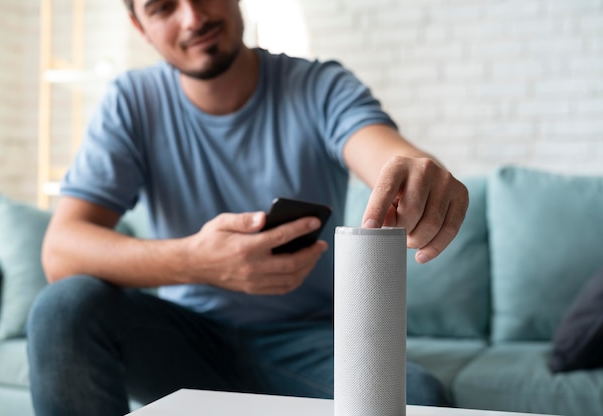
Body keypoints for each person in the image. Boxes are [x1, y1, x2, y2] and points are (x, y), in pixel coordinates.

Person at [27, 1, 469, 415]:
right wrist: (196, 262)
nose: (192, 17)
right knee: (64, 306)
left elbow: (385, 156)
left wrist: (414, 178)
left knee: (420, 399)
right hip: (181, 341)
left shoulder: (319, 86)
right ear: (140, 27)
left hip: (308, 344)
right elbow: (61, 251)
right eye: (163, 6)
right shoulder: (131, 102)